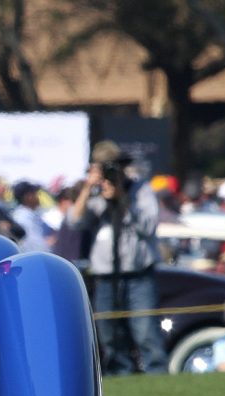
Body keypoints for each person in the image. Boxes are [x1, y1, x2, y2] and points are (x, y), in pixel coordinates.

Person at [67, 140, 168, 375]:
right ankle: (119, 378)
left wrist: (122, 196)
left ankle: (158, 378)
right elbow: (75, 221)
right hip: (105, 277)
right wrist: (87, 188)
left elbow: (148, 225)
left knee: (145, 332)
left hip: (138, 275)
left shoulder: (139, 189)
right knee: (109, 334)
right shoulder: (95, 194)